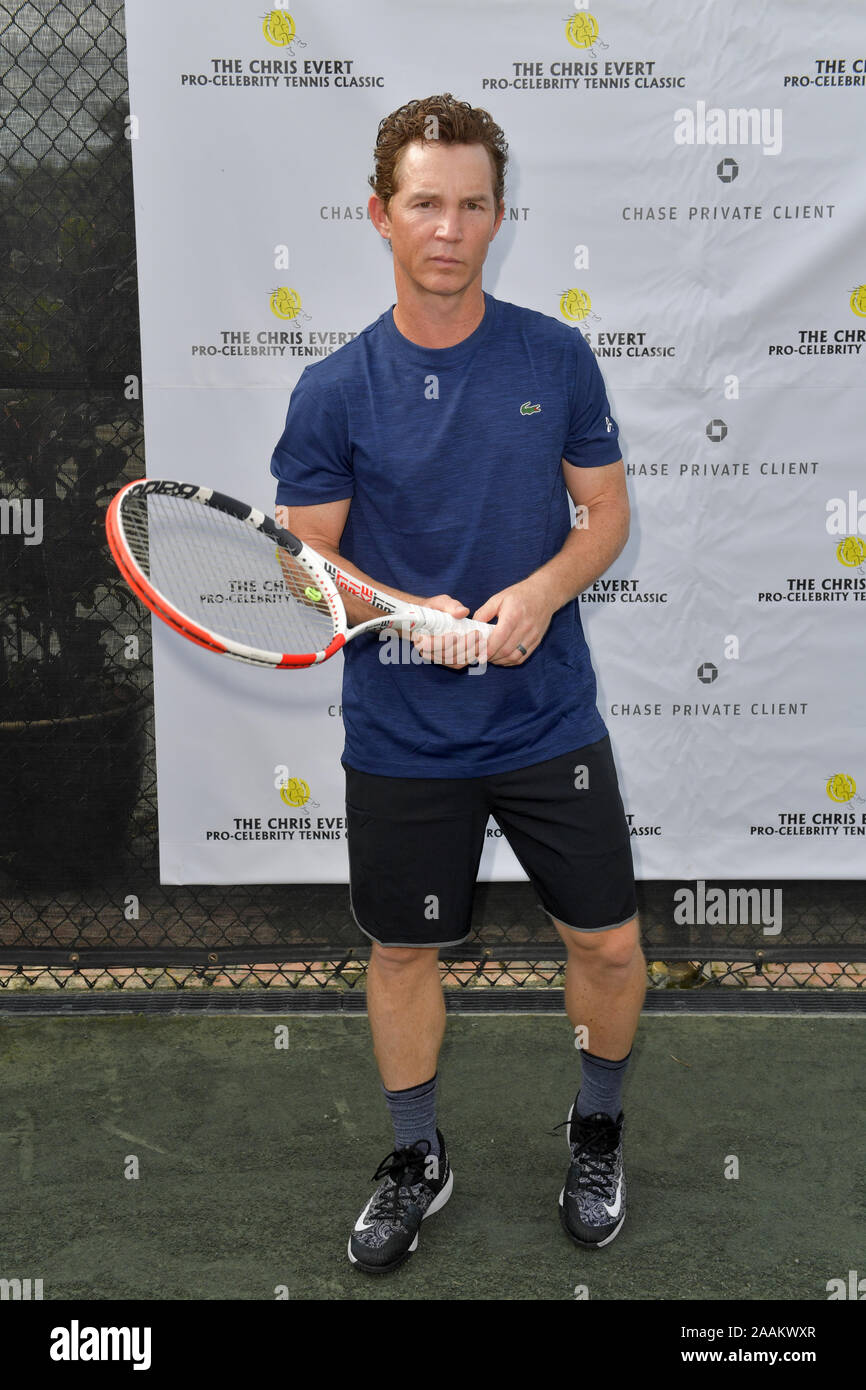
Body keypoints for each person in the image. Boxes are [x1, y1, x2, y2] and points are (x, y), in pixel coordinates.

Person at [270, 93, 645, 1274]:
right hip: (401, 736)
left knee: (610, 947)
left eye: (471, 204)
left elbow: (605, 511)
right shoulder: (334, 389)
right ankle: (415, 1157)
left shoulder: (554, 355)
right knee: (401, 954)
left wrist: (537, 593)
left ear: (498, 216)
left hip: (544, 721)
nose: (448, 226)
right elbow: (304, 566)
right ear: (379, 214)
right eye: (423, 203)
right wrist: (394, 611)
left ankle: (593, 1132)